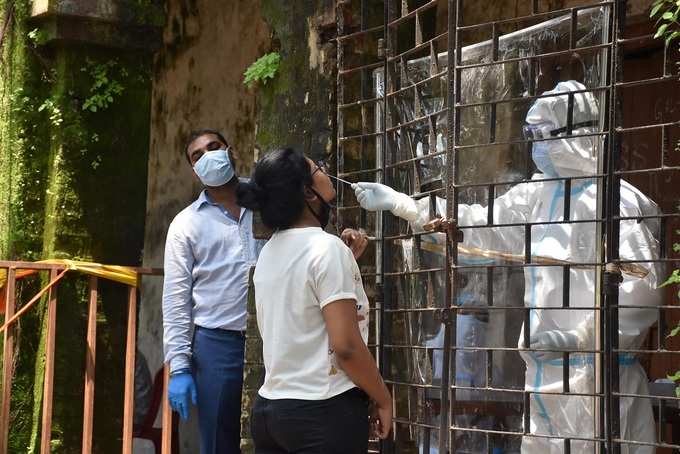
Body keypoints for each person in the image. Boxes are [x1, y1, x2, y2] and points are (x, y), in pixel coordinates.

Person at [353, 81, 663, 453]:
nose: (535, 145)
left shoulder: (616, 203)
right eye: (530, 134)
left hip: (598, 378)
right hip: (544, 377)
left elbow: (641, 293)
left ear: (575, 134)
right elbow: (479, 226)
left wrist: (582, 338)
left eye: (542, 134)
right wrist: (406, 206)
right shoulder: (539, 196)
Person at [237, 148, 392, 454]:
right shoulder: (327, 249)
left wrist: (347, 262)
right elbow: (345, 346)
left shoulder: (270, 250)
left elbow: (302, 307)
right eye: (318, 168)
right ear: (308, 192)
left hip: (272, 411)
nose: (325, 169)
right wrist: (383, 397)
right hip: (321, 413)